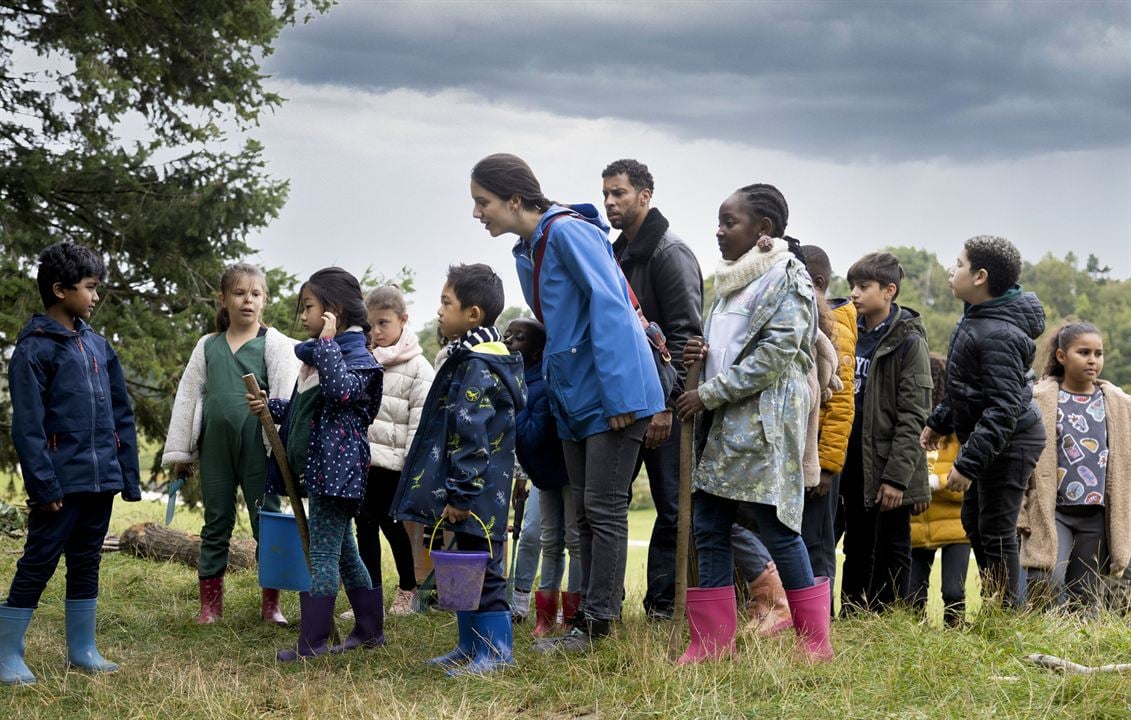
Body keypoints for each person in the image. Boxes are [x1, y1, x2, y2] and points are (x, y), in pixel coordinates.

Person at [470, 153, 664, 653]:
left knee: (603, 509)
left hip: (610, 395)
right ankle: (586, 621)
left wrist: (621, 396)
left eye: (482, 202)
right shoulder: (529, 248)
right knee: (583, 516)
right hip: (573, 396)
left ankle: (598, 626)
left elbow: (612, 307)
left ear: (514, 200)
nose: (477, 213)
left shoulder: (569, 233)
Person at [675, 184, 833, 664]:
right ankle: (711, 642)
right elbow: (732, 344)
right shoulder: (733, 281)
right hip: (723, 426)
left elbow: (774, 356)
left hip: (761, 427)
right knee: (709, 522)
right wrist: (701, 356)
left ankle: (815, 643)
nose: (719, 232)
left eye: (729, 222)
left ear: (762, 229)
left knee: (776, 525)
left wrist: (708, 393)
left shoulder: (789, 279)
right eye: (720, 222)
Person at [1, 242, 141, 686]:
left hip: (100, 482)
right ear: (60, 290)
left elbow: (122, 414)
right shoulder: (34, 350)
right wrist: (43, 486)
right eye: (89, 287)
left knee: (86, 560)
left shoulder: (99, 347)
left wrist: (127, 476)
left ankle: (82, 648)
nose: (96, 296)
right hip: (59, 486)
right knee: (39, 560)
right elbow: (28, 427)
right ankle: (6, 652)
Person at [393, 263, 526, 676]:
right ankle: (469, 645)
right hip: (477, 492)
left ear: (473, 314)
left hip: (479, 494)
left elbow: (473, 436)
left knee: (484, 572)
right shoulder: (470, 358)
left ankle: (496, 652)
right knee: (465, 568)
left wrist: (462, 493)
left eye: (446, 303)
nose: (439, 311)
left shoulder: (477, 366)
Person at [248, 267, 384, 661]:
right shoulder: (320, 358)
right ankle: (370, 631)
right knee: (344, 553)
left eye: (308, 307)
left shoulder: (357, 357)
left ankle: (313, 644)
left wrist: (325, 345)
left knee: (323, 556)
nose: (302, 316)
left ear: (334, 311)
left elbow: (341, 395)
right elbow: (311, 411)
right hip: (321, 470)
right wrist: (272, 409)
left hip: (338, 473)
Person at [162, 262, 299, 626]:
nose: (247, 301)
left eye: (255, 294)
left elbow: (289, 393)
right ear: (223, 299)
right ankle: (210, 606)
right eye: (239, 293)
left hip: (259, 446)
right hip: (215, 447)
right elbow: (188, 398)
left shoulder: (275, 345)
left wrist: (275, 416)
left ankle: (271, 605)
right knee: (216, 521)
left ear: (265, 300)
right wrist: (182, 453)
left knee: (266, 522)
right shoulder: (207, 345)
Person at [602, 159, 703, 620]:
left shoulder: (670, 252)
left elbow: (686, 336)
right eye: (606, 194)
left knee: (674, 507)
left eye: (619, 193)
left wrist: (666, 407)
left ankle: (665, 608)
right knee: (608, 505)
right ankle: (604, 605)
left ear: (645, 196)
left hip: (666, 407)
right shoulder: (614, 252)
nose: (609, 202)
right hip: (625, 405)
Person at [921, 236, 1046, 610]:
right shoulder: (977, 318)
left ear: (980, 276)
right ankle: (998, 603)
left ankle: (1008, 615)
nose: (951, 270)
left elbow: (1003, 407)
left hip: (1013, 438)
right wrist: (938, 422)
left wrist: (967, 464)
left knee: (995, 528)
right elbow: (966, 388)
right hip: (992, 436)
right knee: (975, 521)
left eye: (958, 264)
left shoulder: (999, 333)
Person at [840, 252, 932, 614]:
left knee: (892, 545)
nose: (854, 294)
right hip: (852, 457)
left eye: (863, 286)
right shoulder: (849, 332)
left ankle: (889, 621)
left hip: (890, 463)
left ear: (889, 291)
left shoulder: (908, 341)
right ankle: (850, 615)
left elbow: (914, 415)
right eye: (852, 286)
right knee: (856, 544)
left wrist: (896, 477)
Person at [1020, 322, 1130, 609]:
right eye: (1084, 352)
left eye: (1098, 353)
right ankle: (1042, 642)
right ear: (1061, 356)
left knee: (1086, 594)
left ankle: (1081, 651)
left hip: (1098, 515)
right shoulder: (1037, 400)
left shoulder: (1119, 404)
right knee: (1046, 579)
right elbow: (1023, 459)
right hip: (1053, 510)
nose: (1093, 360)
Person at [348, 285, 434, 618]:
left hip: (395, 466)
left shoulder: (419, 369)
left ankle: (407, 590)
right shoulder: (364, 360)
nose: (377, 332)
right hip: (363, 460)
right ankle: (370, 598)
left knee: (388, 522)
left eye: (384, 323)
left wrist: (410, 470)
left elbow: (419, 424)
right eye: (371, 326)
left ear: (403, 320)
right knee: (363, 525)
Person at [505, 317, 581, 637]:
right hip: (544, 476)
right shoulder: (520, 383)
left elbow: (532, 436)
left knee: (574, 542)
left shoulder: (538, 387)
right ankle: (545, 617)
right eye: (506, 335)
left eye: (518, 338)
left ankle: (573, 615)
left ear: (537, 352)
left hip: (567, 472)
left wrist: (512, 403)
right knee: (549, 542)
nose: (508, 341)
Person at [799, 244, 857, 583]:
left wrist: (828, 465)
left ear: (818, 282)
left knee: (818, 540)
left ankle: (820, 618)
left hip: (820, 456)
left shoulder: (838, 327)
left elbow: (840, 402)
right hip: (799, 448)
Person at [909, 353, 970, 627]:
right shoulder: (910, 428)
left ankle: (955, 639)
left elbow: (965, 477)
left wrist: (934, 484)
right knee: (912, 597)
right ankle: (915, 644)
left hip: (955, 527)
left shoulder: (956, 433)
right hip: (916, 527)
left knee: (954, 592)